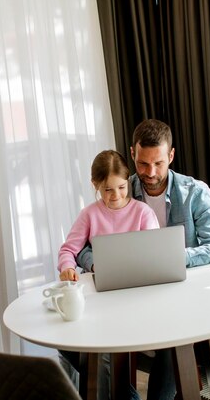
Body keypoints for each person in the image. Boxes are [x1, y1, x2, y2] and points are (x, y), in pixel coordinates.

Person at [77, 119, 210, 399]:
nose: (150, 172)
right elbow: (82, 247)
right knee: (77, 341)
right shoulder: (120, 188)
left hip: (182, 297)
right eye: (143, 163)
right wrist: (97, 262)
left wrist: (168, 257)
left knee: (173, 331)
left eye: (158, 163)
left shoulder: (194, 193)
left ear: (171, 156)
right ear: (132, 154)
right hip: (131, 297)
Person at [57, 149, 159, 400]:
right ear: (96, 185)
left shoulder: (143, 213)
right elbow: (68, 249)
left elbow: (155, 255)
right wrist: (67, 267)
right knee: (68, 342)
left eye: (122, 187)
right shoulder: (90, 214)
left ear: (128, 181)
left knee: (101, 354)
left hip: (137, 297)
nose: (116, 196)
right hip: (100, 296)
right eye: (108, 190)